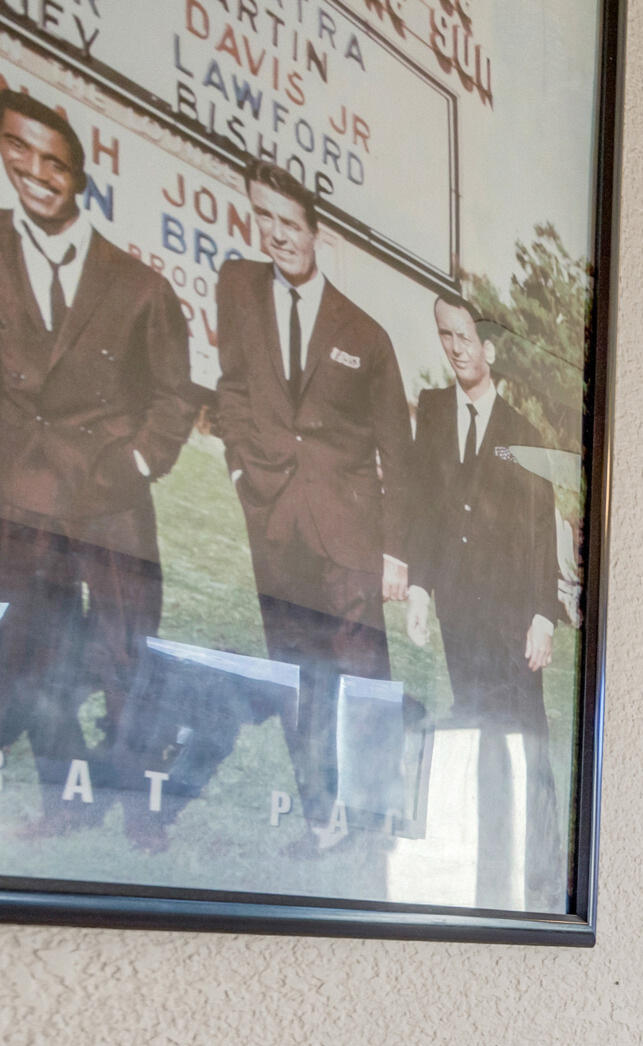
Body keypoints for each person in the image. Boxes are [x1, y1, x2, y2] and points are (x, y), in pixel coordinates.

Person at [0, 87, 199, 840]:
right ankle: (66, 798)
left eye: (54, 161)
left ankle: (143, 803)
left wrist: (138, 463)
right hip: (22, 493)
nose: (34, 172)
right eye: (18, 149)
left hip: (113, 500)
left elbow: (175, 396)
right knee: (34, 649)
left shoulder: (140, 286)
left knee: (125, 650)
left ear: (79, 174)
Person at [211, 160, 411, 855]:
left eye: (289, 222)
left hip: (350, 536)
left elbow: (399, 454)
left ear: (315, 229)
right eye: (263, 217)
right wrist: (241, 467)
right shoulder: (238, 288)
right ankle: (321, 817)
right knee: (296, 674)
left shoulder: (365, 334)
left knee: (363, 676)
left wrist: (396, 552)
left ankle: (378, 818)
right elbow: (233, 387)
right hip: (276, 523)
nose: (276, 234)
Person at [405, 293, 562, 905]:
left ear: (490, 349)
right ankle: (483, 850)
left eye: (465, 337)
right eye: (445, 335)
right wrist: (420, 587)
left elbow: (540, 528)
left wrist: (543, 614)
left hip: (512, 618)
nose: (455, 348)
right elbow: (423, 506)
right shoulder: (432, 411)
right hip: (457, 613)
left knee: (527, 735)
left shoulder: (524, 434)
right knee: (474, 724)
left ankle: (543, 869)